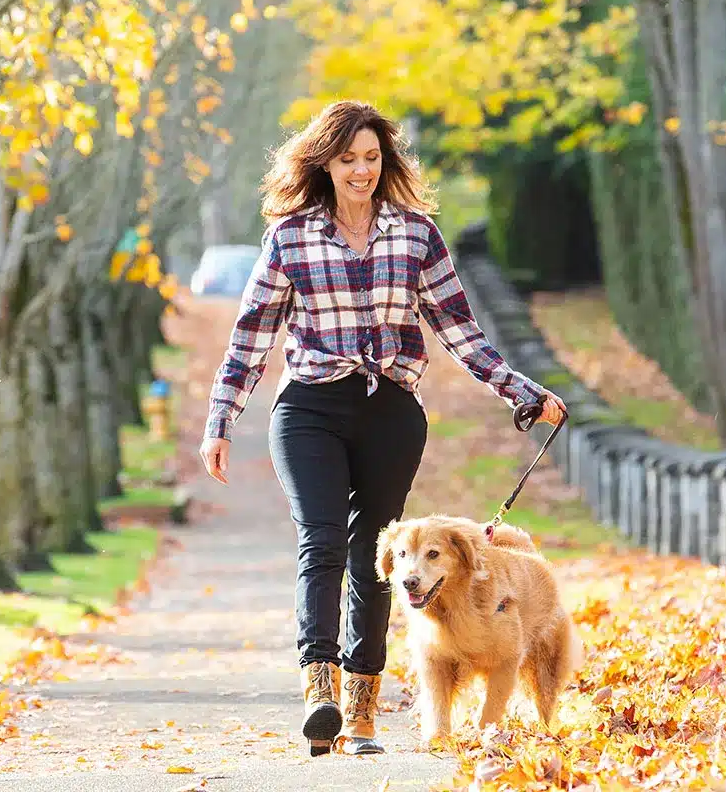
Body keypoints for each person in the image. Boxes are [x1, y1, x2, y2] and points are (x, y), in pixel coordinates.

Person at [198, 101, 565, 757]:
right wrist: (220, 419)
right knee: (321, 542)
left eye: (371, 158)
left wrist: (523, 392)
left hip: (390, 411)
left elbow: (460, 331)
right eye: (348, 159)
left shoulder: (416, 235)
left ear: (385, 162)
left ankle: (362, 713)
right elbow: (250, 338)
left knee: (378, 559)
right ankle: (320, 692)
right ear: (325, 164)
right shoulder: (290, 238)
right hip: (309, 407)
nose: (361, 171)